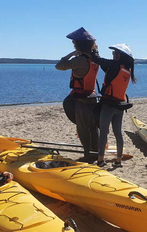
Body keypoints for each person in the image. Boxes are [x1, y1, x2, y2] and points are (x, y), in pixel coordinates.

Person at [55, 27, 100, 163]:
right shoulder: (94, 58)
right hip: (92, 97)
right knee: (93, 128)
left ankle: (88, 156)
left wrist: (71, 54)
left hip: (81, 99)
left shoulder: (80, 60)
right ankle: (96, 154)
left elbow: (59, 66)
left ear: (78, 45)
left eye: (74, 44)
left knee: (83, 129)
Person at [91, 43, 137, 167]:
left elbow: (98, 60)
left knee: (104, 132)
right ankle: (118, 161)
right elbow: (104, 66)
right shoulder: (126, 69)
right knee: (118, 133)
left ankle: (100, 160)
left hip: (109, 104)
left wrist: (95, 50)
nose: (112, 55)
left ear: (119, 55)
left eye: (113, 53)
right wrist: (98, 55)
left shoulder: (115, 65)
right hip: (120, 105)